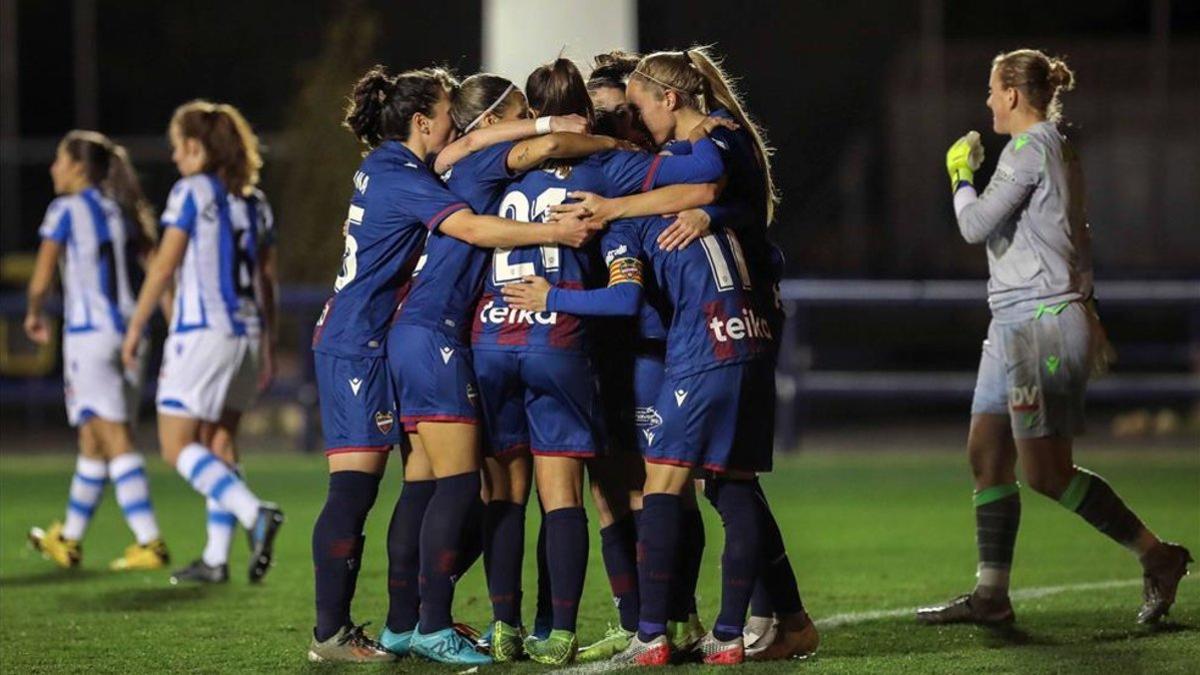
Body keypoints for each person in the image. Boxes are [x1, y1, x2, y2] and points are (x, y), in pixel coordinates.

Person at [307, 64, 595, 664]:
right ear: (422, 121)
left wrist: (523, 123)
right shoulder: (426, 174)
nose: (451, 125)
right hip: (399, 335)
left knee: (417, 487)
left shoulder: (407, 166)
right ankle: (398, 626)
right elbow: (474, 213)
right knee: (447, 486)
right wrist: (552, 228)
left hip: (386, 334)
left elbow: (468, 142)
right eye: (444, 114)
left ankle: (399, 625)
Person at [551, 46, 813, 658]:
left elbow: (708, 185)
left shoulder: (693, 149)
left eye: (628, 110)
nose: (626, 123)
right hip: (745, 324)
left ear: (663, 102)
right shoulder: (703, 145)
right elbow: (730, 199)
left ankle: (660, 629)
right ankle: (751, 625)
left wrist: (565, 274)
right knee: (730, 481)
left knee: (668, 483)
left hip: (701, 337)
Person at [917, 49, 1191, 627]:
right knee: (986, 455)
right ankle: (991, 596)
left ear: (1014, 94)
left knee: (1046, 472)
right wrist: (1084, 304)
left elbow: (973, 226)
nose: (988, 100)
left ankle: (1158, 556)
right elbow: (1072, 235)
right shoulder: (1053, 147)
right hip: (1015, 321)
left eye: (992, 89)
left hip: (1039, 323)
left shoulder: (1031, 148)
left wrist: (960, 175)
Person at [470, 56, 727, 666]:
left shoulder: (493, 169)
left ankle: (513, 625)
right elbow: (700, 176)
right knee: (601, 493)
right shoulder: (608, 168)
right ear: (584, 115)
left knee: (517, 491)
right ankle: (601, 627)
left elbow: (460, 164)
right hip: (566, 342)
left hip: (502, 338)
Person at [380, 70, 625, 664]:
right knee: (556, 492)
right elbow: (544, 146)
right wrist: (613, 144)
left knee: (489, 492)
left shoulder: (454, 168)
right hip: (542, 337)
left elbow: (484, 150)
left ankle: (495, 626)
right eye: (511, 114)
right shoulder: (575, 168)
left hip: (481, 340)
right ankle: (558, 631)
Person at [121, 101, 285, 588]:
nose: (174, 157)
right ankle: (216, 558)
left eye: (177, 146)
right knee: (219, 443)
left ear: (195, 146)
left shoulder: (191, 191)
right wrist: (270, 343)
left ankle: (253, 512)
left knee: (176, 448)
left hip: (202, 333)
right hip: (247, 333)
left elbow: (164, 265)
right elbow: (268, 277)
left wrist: (135, 328)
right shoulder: (255, 201)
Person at [25, 130, 170, 572]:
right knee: (93, 439)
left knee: (113, 437)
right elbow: (157, 264)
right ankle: (68, 538)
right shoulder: (119, 209)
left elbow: (43, 273)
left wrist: (34, 311)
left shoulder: (65, 209)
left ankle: (150, 541)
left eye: (59, 160)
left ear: (78, 167)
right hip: (130, 334)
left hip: (91, 336)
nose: (53, 168)